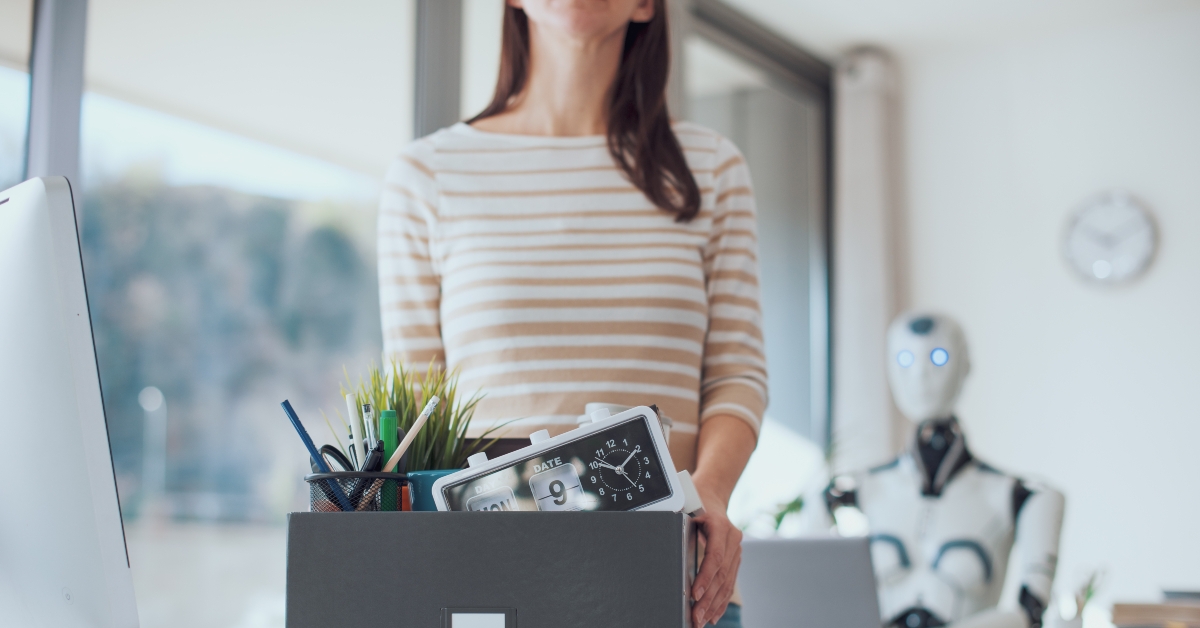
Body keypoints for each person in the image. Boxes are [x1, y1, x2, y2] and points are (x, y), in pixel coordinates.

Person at [377, 1, 766, 625]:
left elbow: (736, 377)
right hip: (492, 590)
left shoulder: (711, 168)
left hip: (671, 584)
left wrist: (712, 492)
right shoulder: (427, 175)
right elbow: (419, 407)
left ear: (646, 4)